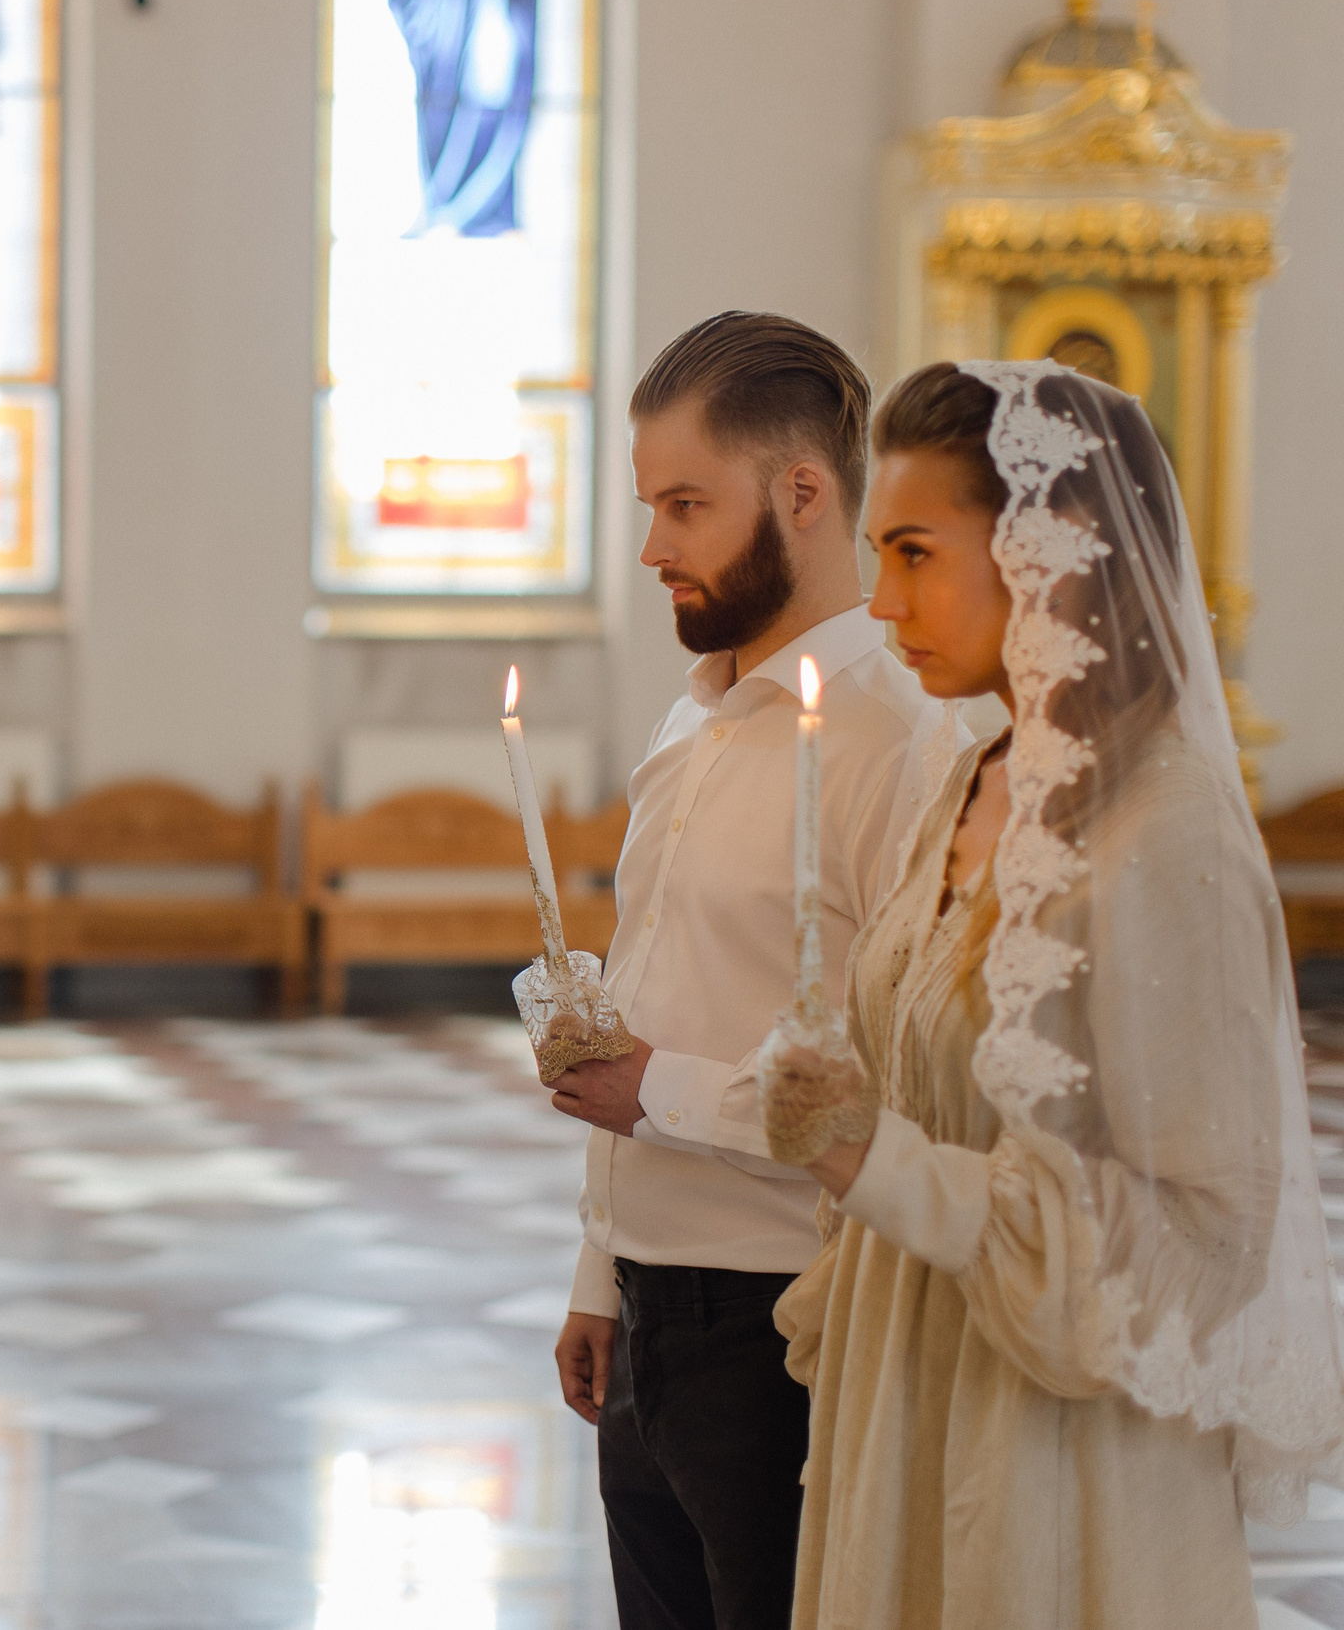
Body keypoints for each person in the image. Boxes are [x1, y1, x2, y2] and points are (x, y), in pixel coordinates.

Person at [760, 360, 1344, 1628]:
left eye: (915, 554)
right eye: (876, 554)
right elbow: (922, 1074)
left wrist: (876, 1161)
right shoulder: (972, 779)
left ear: (1053, 554)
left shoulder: (1167, 837)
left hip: (1059, 1470)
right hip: (910, 1393)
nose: (878, 599)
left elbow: (1205, 1235)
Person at [542, 311, 947, 1630]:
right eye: (649, 503)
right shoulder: (696, 714)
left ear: (804, 492)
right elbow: (665, 991)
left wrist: (654, 1090)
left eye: (685, 504)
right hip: (652, 1311)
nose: (653, 544)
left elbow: (900, 1087)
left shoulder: (896, 740)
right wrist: (604, 1270)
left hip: (787, 1317)